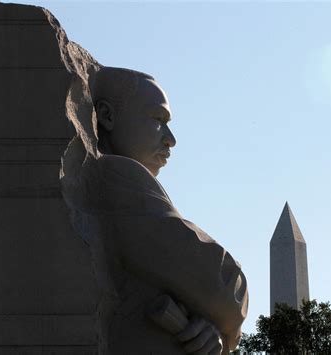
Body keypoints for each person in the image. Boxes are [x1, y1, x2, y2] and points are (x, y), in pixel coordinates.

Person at [61, 66, 248, 354]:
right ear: (108, 116)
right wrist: (219, 315)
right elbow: (222, 288)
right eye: (158, 119)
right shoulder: (117, 175)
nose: (170, 138)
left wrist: (209, 327)